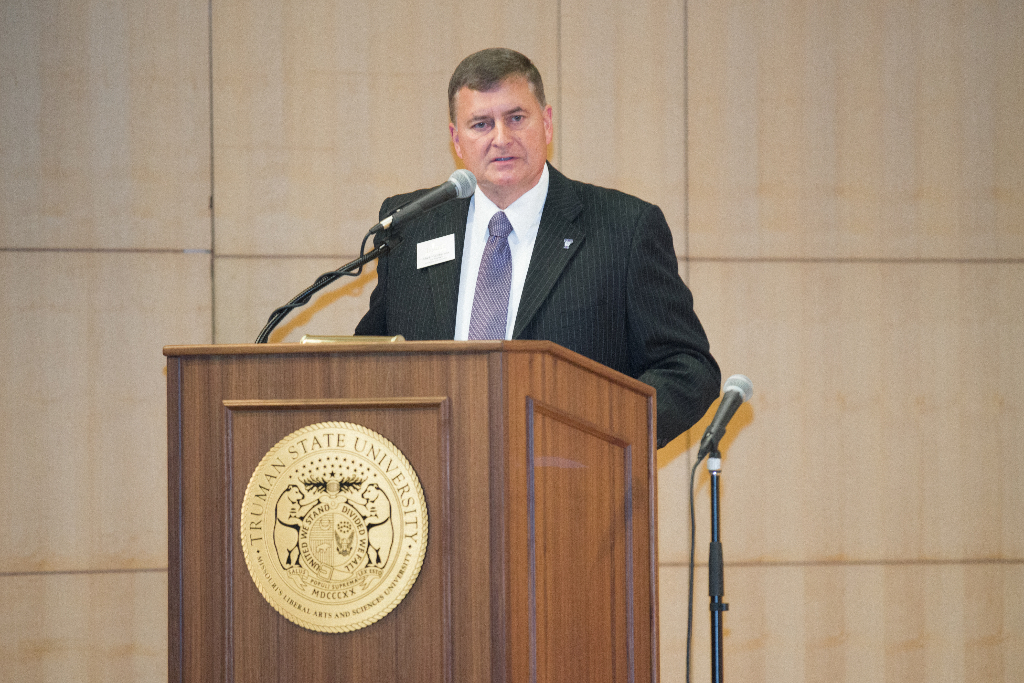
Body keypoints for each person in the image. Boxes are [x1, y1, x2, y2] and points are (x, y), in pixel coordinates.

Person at [355, 48, 720, 446]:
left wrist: (608, 434)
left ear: (546, 124)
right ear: (457, 140)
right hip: (430, 470)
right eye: (481, 124)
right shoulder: (411, 225)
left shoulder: (623, 228)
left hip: (573, 471)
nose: (501, 138)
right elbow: (370, 360)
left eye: (516, 118)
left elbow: (687, 368)